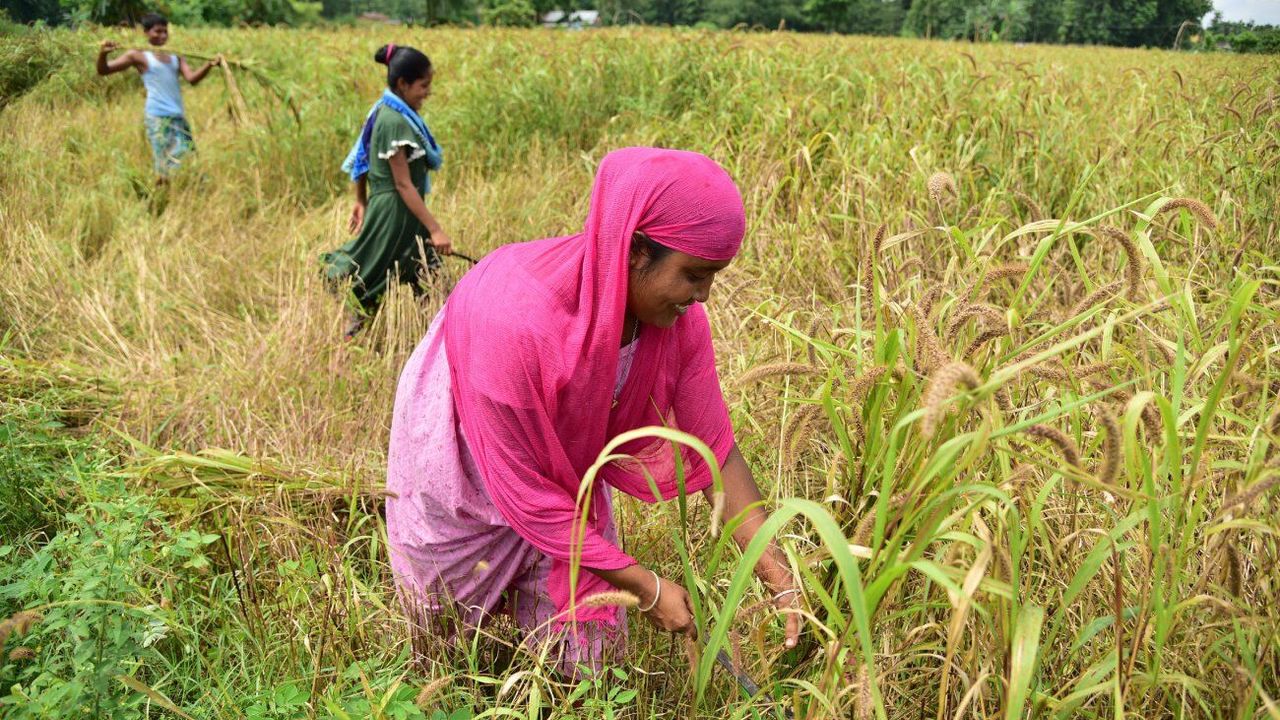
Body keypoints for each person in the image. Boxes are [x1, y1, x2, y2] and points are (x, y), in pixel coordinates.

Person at [385, 147, 802, 675]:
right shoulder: (514, 323)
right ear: (634, 251)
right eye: (694, 274)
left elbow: (713, 447)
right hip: (471, 460)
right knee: (445, 634)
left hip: (563, 463)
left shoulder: (676, 322)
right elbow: (530, 496)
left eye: (713, 275)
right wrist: (647, 588)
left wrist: (775, 570)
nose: (704, 296)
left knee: (591, 664)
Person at [323, 44, 453, 340]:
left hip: (407, 213)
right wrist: (436, 229)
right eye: (423, 86)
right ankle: (348, 342)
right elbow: (403, 183)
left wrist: (360, 199)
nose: (427, 93)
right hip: (395, 215)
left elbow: (362, 156)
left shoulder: (386, 111)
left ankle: (435, 343)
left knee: (432, 282)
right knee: (370, 285)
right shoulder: (394, 120)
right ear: (403, 84)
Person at [95, 13, 221, 181]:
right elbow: (104, 70)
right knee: (164, 164)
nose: (162, 35)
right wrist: (103, 54)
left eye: (165, 31)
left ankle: (192, 190)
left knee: (190, 159)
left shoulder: (176, 55)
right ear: (146, 32)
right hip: (158, 117)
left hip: (177, 115)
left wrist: (209, 65)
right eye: (157, 31)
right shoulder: (138, 55)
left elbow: (191, 79)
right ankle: (161, 194)